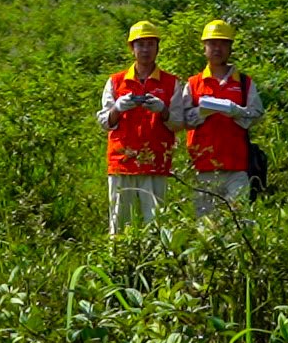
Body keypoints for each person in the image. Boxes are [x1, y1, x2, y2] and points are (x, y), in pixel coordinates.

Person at [97, 20, 192, 233]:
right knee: (119, 224)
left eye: (151, 44)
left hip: (156, 162)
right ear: (132, 48)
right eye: (140, 44)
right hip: (122, 162)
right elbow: (104, 121)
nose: (146, 50)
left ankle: (158, 264)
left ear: (158, 47)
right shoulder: (116, 81)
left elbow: (178, 122)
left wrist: (163, 110)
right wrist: (118, 109)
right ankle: (117, 265)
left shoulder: (170, 82)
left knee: (156, 224)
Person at [183, 19, 264, 217]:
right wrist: (200, 113)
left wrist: (237, 111)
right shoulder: (193, 83)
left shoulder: (244, 83)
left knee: (240, 221)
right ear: (204, 48)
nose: (217, 48)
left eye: (223, 43)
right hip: (203, 167)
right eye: (212, 43)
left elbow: (257, 114)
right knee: (205, 225)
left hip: (237, 166)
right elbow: (182, 119)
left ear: (230, 48)